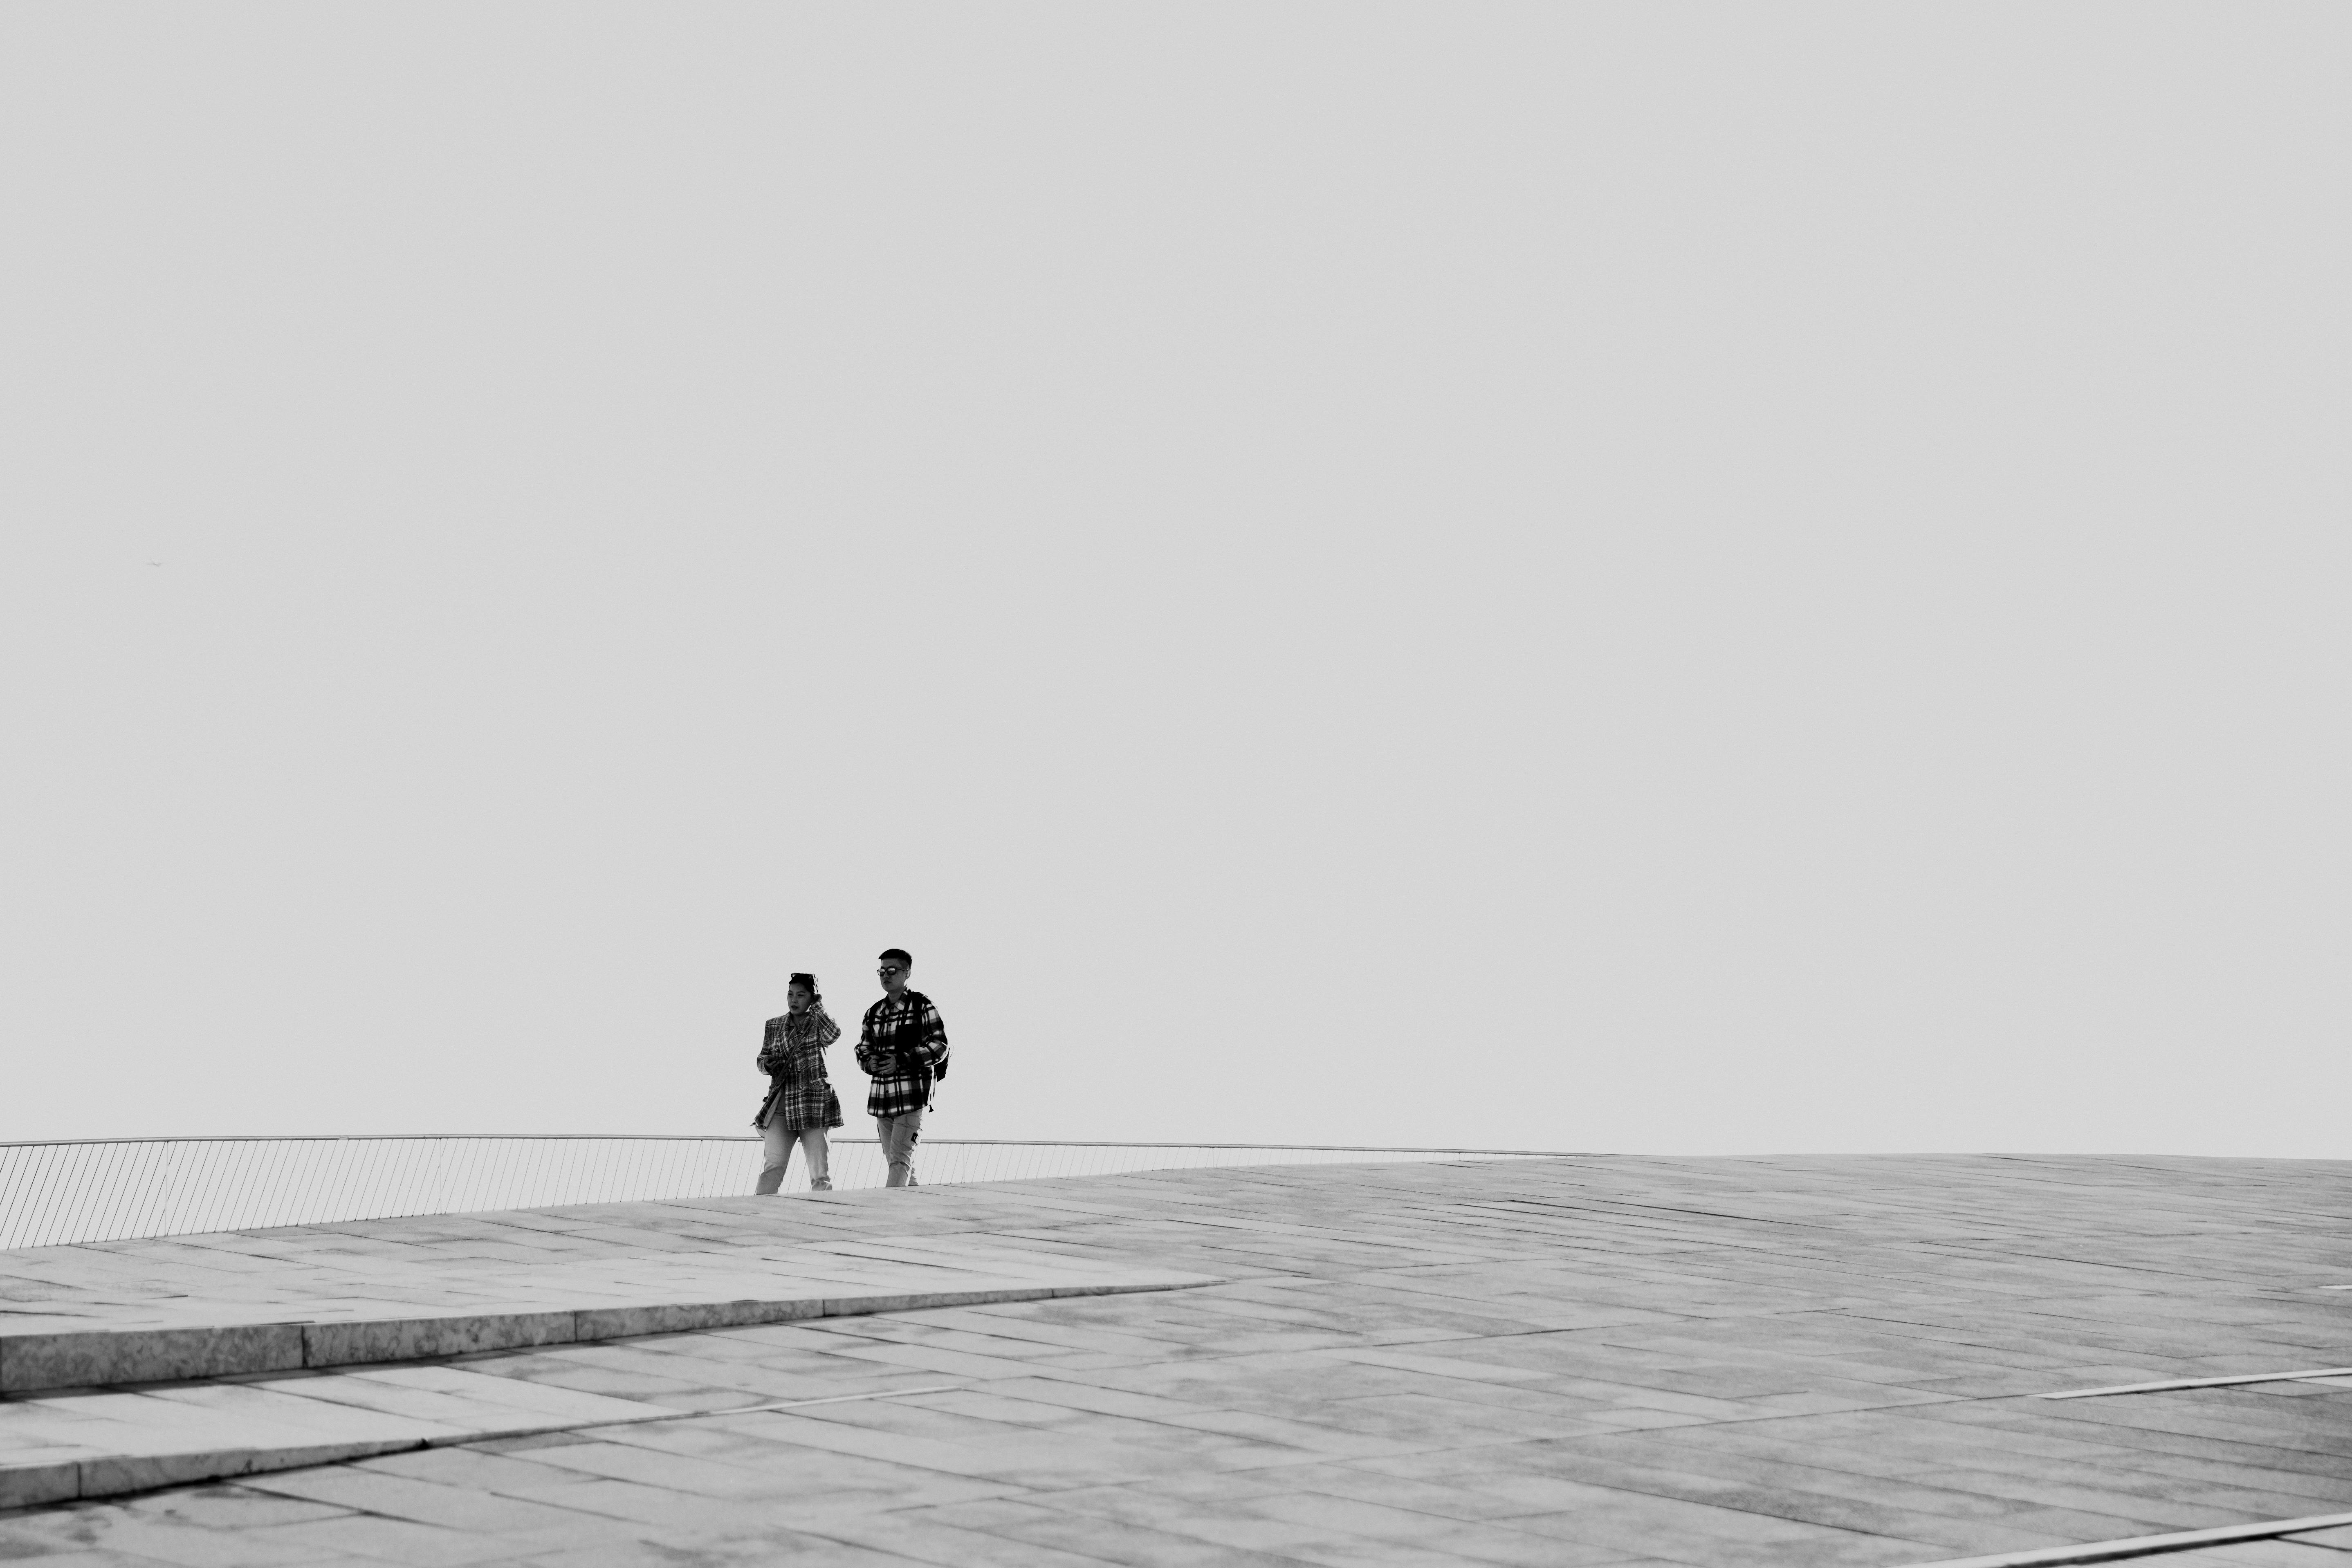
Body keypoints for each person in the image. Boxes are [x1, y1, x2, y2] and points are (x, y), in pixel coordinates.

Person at [854, 948, 948, 1188]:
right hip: (882, 1100)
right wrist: (870, 1063)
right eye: (882, 971)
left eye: (892, 971)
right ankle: (915, 1212)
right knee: (900, 1163)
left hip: (912, 1098)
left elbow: (940, 1046)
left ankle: (887, 1211)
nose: (886, 976)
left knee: (899, 1161)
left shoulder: (922, 1006)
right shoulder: (874, 1013)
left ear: (907, 973)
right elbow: (862, 1048)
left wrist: (902, 1059)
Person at [752, 972, 842, 1194]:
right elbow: (761, 1059)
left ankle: (823, 1217)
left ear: (812, 998)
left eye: (801, 995)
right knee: (772, 1167)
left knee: (819, 1172)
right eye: (791, 994)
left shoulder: (817, 1022)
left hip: (812, 1103)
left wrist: (819, 1007)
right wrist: (767, 1065)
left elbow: (833, 1035)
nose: (794, 1000)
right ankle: (759, 1214)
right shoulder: (774, 1025)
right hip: (781, 1104)